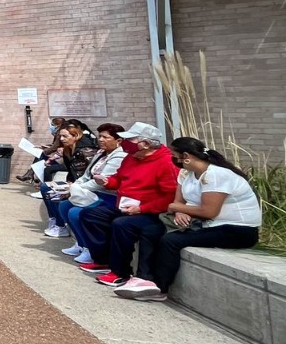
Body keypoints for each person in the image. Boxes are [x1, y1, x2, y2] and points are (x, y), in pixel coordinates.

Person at [115, 137, 262, 302]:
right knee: (151, 229)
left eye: (174, 155)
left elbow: (209, 211)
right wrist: (179, 211)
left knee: (171, 241)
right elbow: (178, 202)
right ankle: (144, 278)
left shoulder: (217, 175)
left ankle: (160, 288)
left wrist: (177, 208)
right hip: (207, 224)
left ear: (186, 155)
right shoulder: (187, 173)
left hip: (236, 230)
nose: (173, 160)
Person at [76, 122, 179, 287]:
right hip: (126, 206)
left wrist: (142, 208)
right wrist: (108, 181)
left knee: (122, 225)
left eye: (130, 140)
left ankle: (120, 272)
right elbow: (119, 177)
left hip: (152, 212)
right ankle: (102, 260)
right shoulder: (131, 158)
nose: (125, 144)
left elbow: (170, 196)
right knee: (90, 215)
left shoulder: (166, 162)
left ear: (145, 144)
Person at [58, 123, 126, 260]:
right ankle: (81, 243)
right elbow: (87, 174)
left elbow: (101, 182)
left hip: (109, 195)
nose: (100, 140)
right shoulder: (101, 153)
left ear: (118, 141)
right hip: (91, 192)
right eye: (100, 136)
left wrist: (77, 188)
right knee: (64, 205)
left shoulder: (119, 156)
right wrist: (75, 185)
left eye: (105, 137)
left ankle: (90, 248)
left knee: (76, 212)